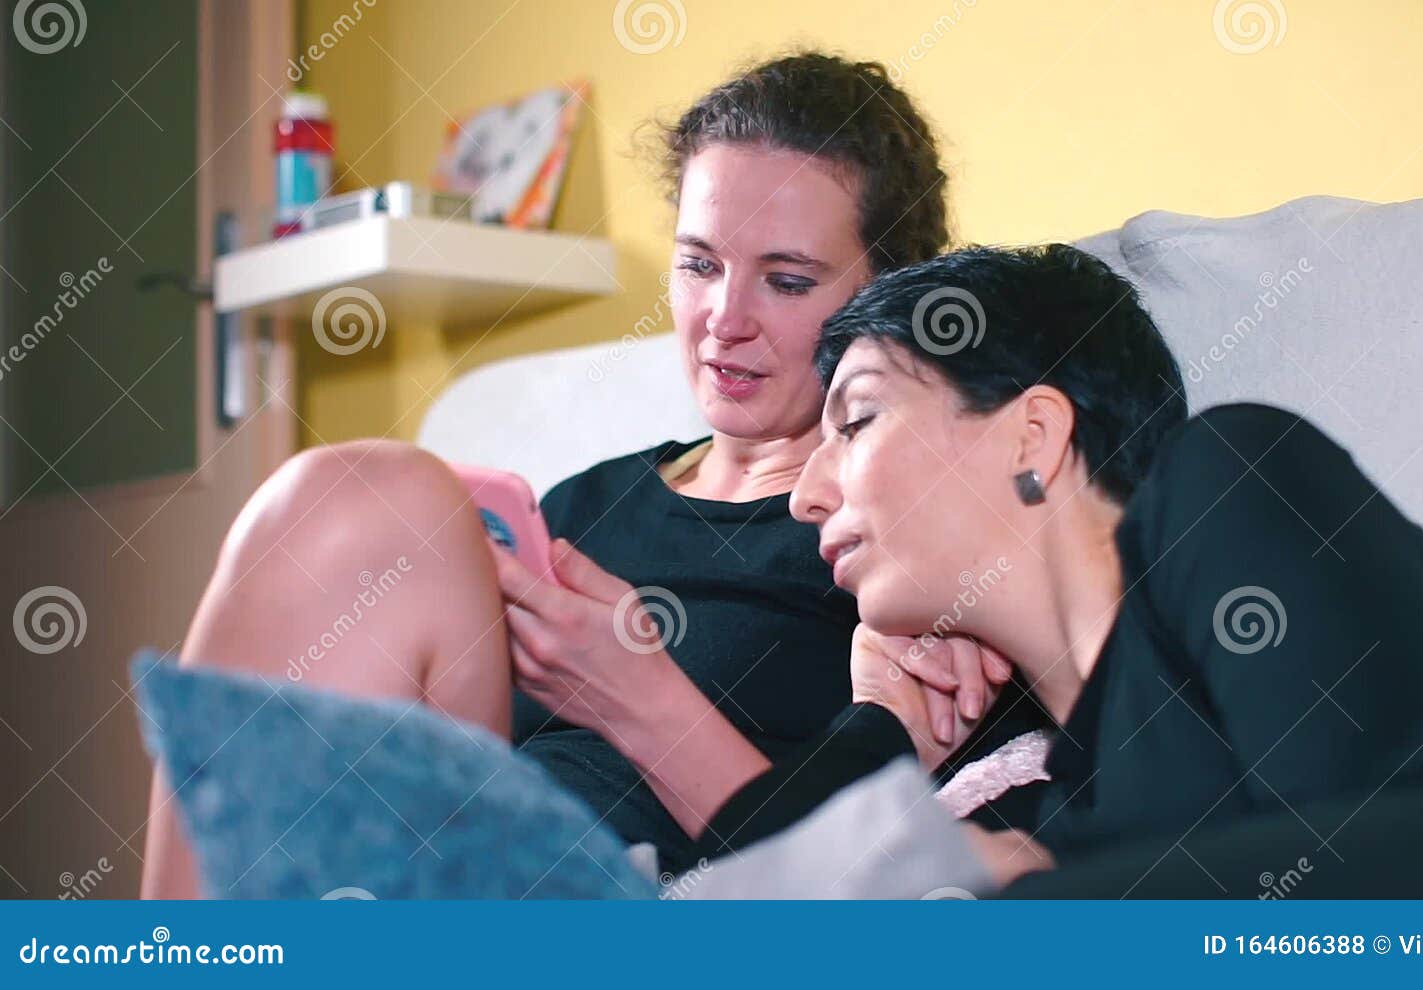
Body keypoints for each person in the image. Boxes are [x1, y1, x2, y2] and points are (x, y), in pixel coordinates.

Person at [140, 52, 1044, 898]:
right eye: (699, 264)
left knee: (375, 498)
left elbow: (888, 856)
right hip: (438, 861)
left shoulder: (899, 539)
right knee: (357, 502)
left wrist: (633, 689)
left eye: (788, 280)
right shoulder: (575, 506)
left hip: (618, 885)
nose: (723, 320)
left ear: (890, 294)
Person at [695, 242, 1423, 895]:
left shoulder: (1231, 481)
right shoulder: (1062, 806)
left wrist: (1012, 898)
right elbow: (768, 909)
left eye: (854, 421)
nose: (804, 495)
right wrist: (878, 726)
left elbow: (1412, 894)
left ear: (1033, 436)